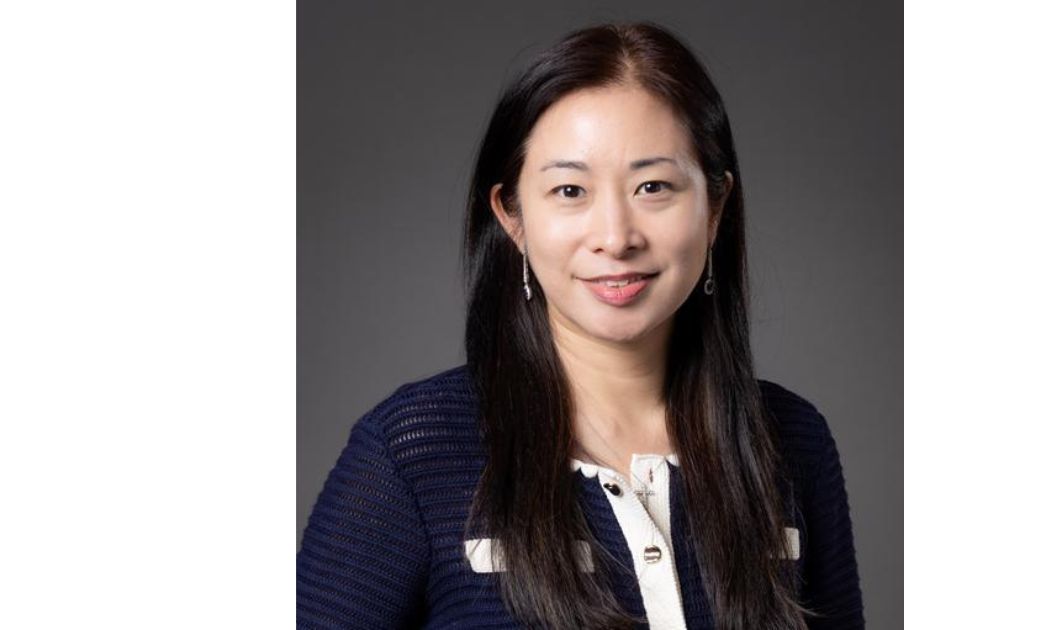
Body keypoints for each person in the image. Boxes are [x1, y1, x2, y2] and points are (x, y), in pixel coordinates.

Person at [297, 21, 864, 630]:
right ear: (512, 217)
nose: (616, 237)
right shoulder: (412, 452)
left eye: (653, 186)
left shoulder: (793, 441)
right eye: (570, 190)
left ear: (715, 207)